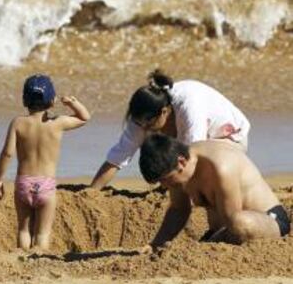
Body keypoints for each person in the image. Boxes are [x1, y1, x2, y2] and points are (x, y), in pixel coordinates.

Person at [91, 69, 250, 189]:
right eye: (139, 124)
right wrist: (91, 192)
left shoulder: (189, 107)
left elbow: (194, 155)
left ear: (164, 112)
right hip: (186, 142)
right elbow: (117, 157)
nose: (143, 129)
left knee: (198, 177)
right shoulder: (141, 117)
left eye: (148, 125)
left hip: (228, 139)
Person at [138, 133, 290, 250]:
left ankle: (207, 244)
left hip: (269, 221)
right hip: (219, 233)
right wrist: (155, 245)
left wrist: (203, 247)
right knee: (234, 226)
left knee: (239, 223)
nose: (164, 186)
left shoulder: (221, 166)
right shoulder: (177, 173)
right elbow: (179, 210)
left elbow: (231, 222)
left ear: (181, 162)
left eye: (165, 179)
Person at [0, 74, 90, 252]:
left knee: (23, 230)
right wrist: (72, 103)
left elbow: (7, 153)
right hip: (46, 186)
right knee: (42, 234)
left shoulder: (18, 123)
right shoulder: (57, 123)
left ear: (24, 100)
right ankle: (39, 261)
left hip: (23, 184)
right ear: (52, 101)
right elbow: (84, 118)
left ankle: (20, 260)